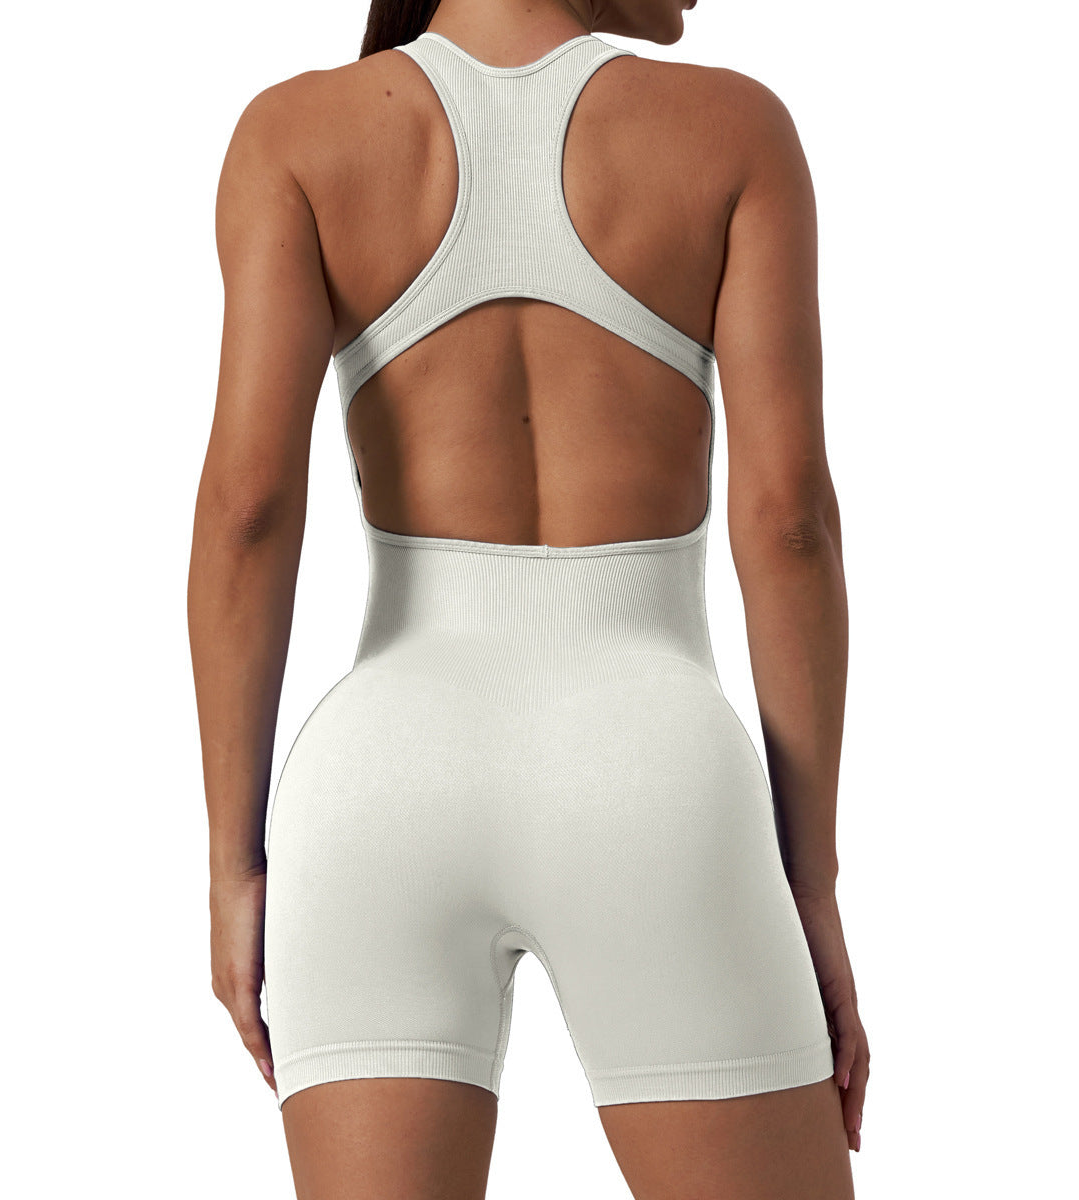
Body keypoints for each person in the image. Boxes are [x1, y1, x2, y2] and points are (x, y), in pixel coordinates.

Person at [188, 0, 870, 1194]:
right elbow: (789, 527)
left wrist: (234, 866)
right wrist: (807, 883)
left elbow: (247, 513)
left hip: (377, 784)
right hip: (651, 772)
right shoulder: (732, 131)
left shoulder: (295, 136)